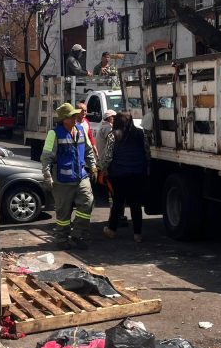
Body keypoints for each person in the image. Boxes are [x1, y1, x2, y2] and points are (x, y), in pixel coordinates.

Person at [41, 102, 97, 249]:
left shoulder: (80, 130)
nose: (75, 117)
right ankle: (62, 239)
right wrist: (47, 176)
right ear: (64, 119)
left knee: (87, 203)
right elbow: (46, 157)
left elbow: (88, 150)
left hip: (81, 177)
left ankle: (79, 234)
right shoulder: (54, 134)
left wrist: (93, 166)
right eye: (72, 116)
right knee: (63, 213)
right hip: (62, 181)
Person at [100, 111, 150, 243]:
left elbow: (108, 156)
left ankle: (111, 230)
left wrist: (103, 169)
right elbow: (147, 152)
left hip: (119, 174)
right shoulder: (141, 133)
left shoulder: (113, 135)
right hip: (137, 173)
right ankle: (137, 234)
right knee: (135, 204)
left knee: (118, 202)